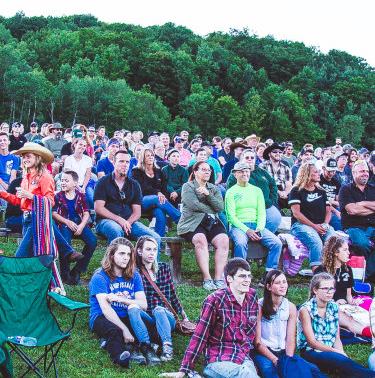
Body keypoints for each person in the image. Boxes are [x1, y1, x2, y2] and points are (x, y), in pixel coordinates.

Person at [179, 258, 293, 378]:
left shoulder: (252, 297)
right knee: (243, 375)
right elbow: (200, 336)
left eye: (249, 276)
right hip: (217, 360)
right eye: (242, 276)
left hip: (242, 355)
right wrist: (185, 369)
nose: (247, 280)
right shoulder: (214, 301)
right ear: (229, 279)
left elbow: (251, 333)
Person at [296, 272, 375, 378]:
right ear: (315, 290)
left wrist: (342, 353)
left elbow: (336, 338)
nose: (329, 292)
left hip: (331, 350)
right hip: (311, 352)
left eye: (332, 288)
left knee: (344, 368)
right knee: (340, 361)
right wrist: (337, 353)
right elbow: (311, 342)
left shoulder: (334, 307)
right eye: (325, 289)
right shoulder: (306, 309)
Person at [88, 237, 169, 367]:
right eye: (121, 253)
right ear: (112, 255)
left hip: (126, 314)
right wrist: (124, 329)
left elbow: (143, 305)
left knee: (152, 333)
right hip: (102, 316)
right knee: (115, 331)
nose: (126, 257)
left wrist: (123, 300)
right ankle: (120, 358)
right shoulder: (100, 276)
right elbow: (106, 309)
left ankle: (129, 344)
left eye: (128, 254)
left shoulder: (134, 275)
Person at [337, 163, 375, 283]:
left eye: (366, 171)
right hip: (354, 226)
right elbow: (352, 210)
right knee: (361, 243)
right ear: (353, 173)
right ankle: (368, 274)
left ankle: (364, 272)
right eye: (361, 171)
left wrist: (363, 203)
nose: (365, 174)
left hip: (374, 226)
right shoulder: (346, 189)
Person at [176, 157, 231, 291]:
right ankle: (207, 278)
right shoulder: (188, 186)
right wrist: (212, 208)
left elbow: (220, 207)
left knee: (224, 240)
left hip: (211, 221)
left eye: (209, 170)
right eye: (204, 170)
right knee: (200, 240)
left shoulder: (213, 188)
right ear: (195, 172)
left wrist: (208, 195)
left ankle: (218, 278)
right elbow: (193, 205)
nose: (207, 172)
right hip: (192, 222)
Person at [223, 159, 282, 272]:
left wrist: (259, 228)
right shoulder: (231, 192)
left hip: (256, 225)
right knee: (240, 243)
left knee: (276, 243)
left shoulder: (257, 191)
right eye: (241, 172)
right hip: (239, 226)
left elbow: (261, 212)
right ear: (235, 174)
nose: (245, 174)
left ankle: (269, 273)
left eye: (247, 171)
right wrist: (247, 230)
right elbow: (230, 216)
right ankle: (240, 272)